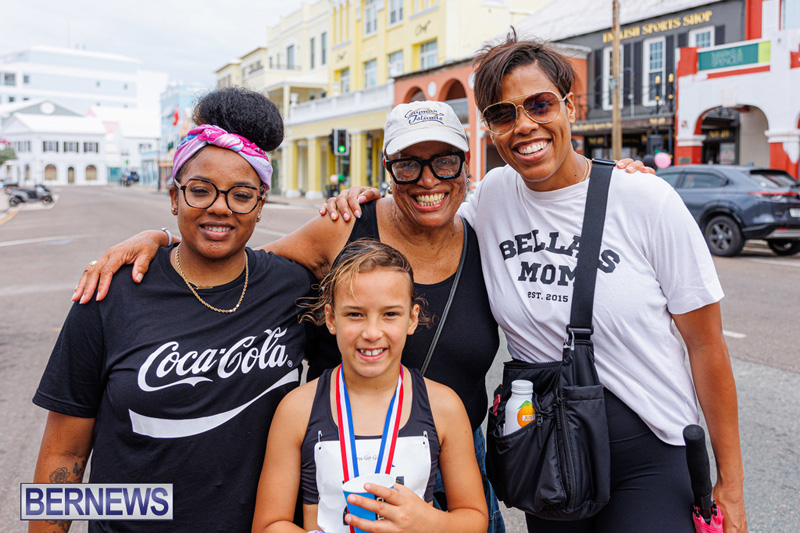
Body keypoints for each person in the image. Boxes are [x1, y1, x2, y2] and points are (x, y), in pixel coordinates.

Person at [72, 104, 650, 533]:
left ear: (466, 169)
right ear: (387, 169)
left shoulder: (489, 234)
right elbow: (233, 260)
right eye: (408, 165)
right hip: (333, 463)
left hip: (452, 466)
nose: (428, 179)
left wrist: (620, 181)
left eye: (445, 161)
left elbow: (565, 209)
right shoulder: (345, 226)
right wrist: (162, 240)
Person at [322, 31, 747, 533]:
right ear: (490, 130)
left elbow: (706, 345)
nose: (524, 125)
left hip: (648, 447)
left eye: (540, 105)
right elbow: (425, 212)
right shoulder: (491, 199)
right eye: (503, 114)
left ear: (570, 107)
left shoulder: (644, 200)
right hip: (546, 447)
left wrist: (731, 483)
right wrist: (363, 200)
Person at [30, 87, 314, 532]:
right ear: (174, 197)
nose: (219, 208)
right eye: (200, 190)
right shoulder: (111, 291)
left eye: (241, 195)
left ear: (260, 205)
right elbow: (64, 453)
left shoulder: (294, 288)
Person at [251, 240, 488, 533]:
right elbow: (269, 524)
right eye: (355, 314)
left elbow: (474, 518)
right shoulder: (298, 409)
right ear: (331, 318)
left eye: (390, 314)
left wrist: (430, 522)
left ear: (412, 318)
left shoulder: (444, 406)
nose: (372, 332)